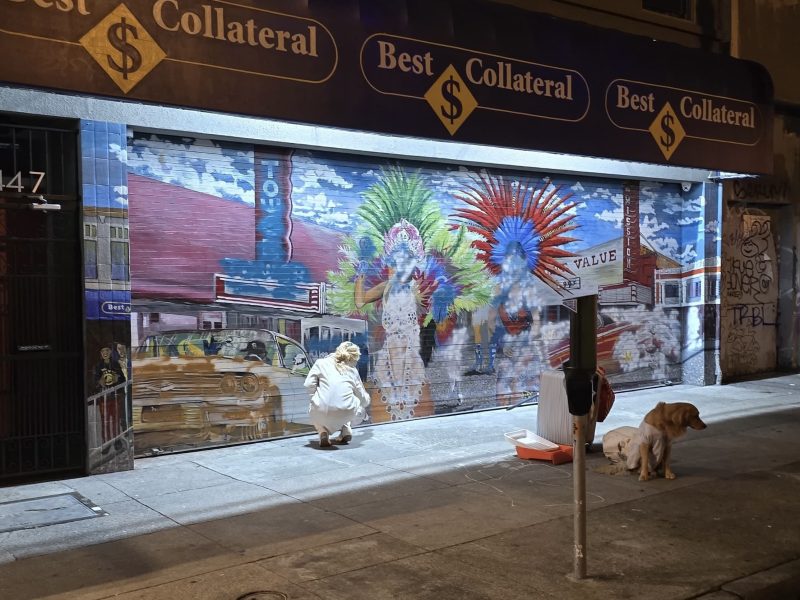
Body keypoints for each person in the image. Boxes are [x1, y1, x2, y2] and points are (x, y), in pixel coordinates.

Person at [304, 341, 371, 447]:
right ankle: (346, 429)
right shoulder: (352, 370)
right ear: (352, 358)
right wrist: (365, 403)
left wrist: (315, 398)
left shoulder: (320, 363)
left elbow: (308, 385)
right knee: (352, 402)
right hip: (345, 411)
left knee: (313, 406)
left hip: (321, 410)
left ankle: (322, 432)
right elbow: (362, 396)